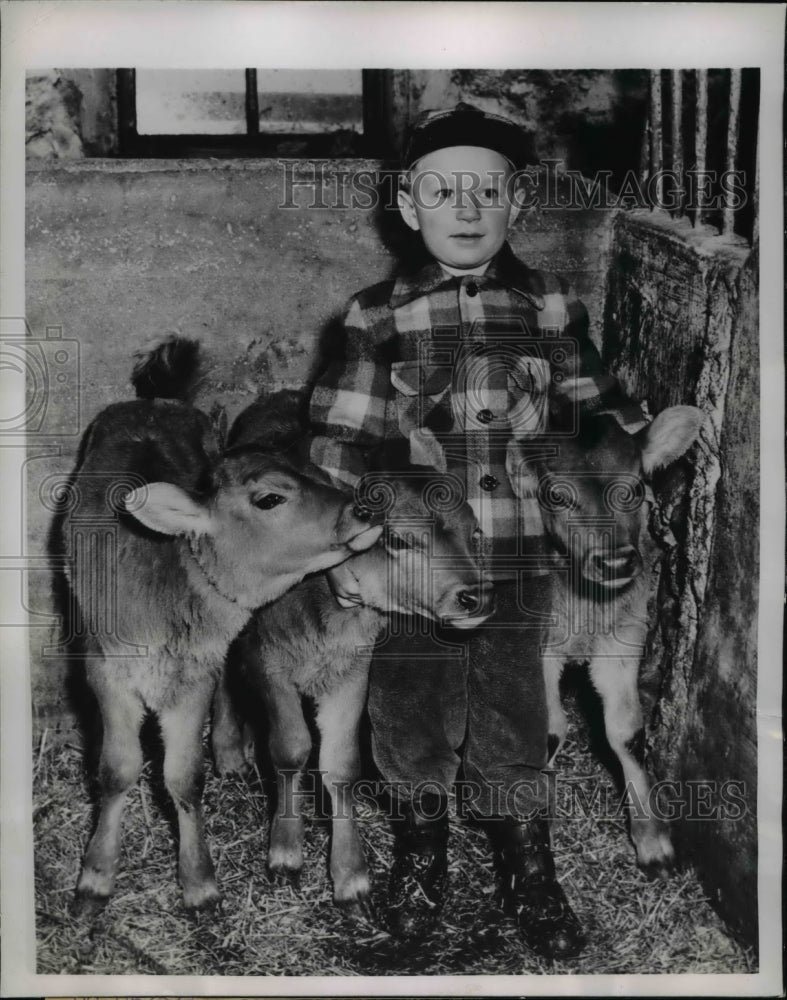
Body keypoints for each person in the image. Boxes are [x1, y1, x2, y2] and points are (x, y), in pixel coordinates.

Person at [308, 103, 646, 959]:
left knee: (511, 711)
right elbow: (336, 445)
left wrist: (605, 427)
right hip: (420, 567)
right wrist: (375, 519)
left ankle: (526, 865)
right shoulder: (373, 314)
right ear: (407, 204)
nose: (465, 210)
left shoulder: (547, 307)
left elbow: (595, 419)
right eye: (443, 192)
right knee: (411, 707)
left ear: (517, 204)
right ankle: (421, 857)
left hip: (522, 551)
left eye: (486, 192)